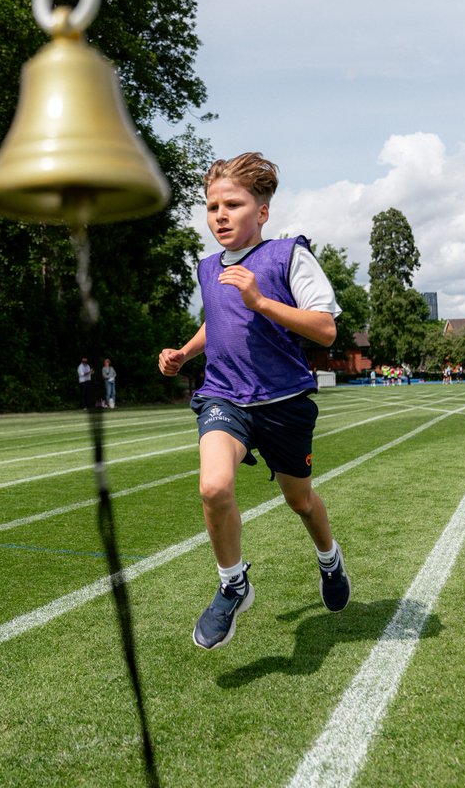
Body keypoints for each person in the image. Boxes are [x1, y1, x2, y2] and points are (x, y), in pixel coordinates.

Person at [157, 152, 350, 651]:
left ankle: (329, 559)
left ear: (261, 211)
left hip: (284, 400)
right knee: (213, 485)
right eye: (211, 205)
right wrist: (185, 351)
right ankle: (233, 584)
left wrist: (262, 301)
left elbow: (326, 328)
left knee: (299, 501)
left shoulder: (288, 256)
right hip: (224, 396)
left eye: (233, 204)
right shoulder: (206, 268)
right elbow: (218, 323)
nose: (219, 215)